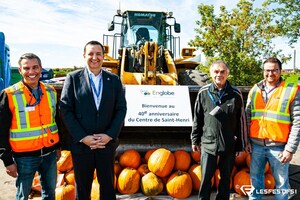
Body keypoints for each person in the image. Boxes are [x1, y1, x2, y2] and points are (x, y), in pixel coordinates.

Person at [59, 40, 127, 200]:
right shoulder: (73, 78)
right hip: (82, 146)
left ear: (104, 57)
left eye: (98, 54)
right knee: (82, 190)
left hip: (106, 144)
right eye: (90, 53)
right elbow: (65, 109)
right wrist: (83, 137)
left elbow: (121, 109)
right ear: (84, 56)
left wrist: (109, 135)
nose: (94, 57)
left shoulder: (114, 80)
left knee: (108, 190)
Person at [0, 53, 61, 200]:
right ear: (20, 70)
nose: (31, 72)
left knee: (50, 193)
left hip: (49, 154)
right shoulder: (9, 94)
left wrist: (58, 147)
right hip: (24, 157)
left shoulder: (51, 92)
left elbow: (56, 121)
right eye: (26, 68)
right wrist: (7, 160)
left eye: (35, 67)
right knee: (23, 195)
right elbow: (1, 131)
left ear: (41, 69)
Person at [245, 57, 300, 200]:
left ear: (280, 71)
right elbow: (247, 117)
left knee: (281, 185)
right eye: (267, 70)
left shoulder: (291, 90)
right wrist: (246, 142)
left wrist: (290, 149)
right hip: (256, 146)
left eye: (274, 70)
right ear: (263, 71)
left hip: (280, 148)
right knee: (255, 183)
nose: (271, 74)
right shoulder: (255, 90)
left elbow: (298, 122)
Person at [191, 60, 247, 200]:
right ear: (211, 73)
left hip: (229, 144)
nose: (219, 75)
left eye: (222, 72)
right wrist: (195, 139)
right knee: (205, 179)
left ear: (227, 73)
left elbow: (241, 121)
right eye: (216, 72)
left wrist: (240, 144)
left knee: (225, 179)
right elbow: (197, 118)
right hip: (208, 144)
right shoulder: (203, 92)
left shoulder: (235, 94)